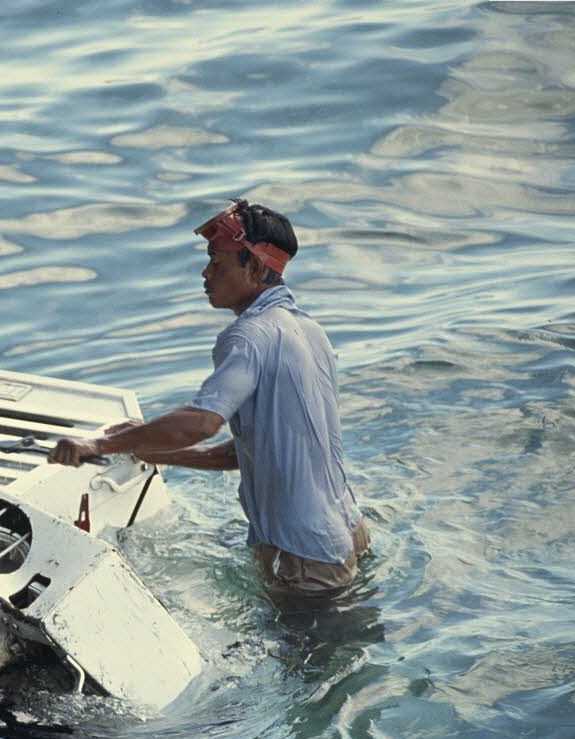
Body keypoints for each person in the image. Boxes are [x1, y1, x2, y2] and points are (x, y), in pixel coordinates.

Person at [48, 199, 368, 597]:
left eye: (218, 262)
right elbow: (241, 453)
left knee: (298, 658)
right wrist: (147, 449)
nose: (205, 272)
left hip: (301, 555)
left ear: (254, 268)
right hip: (348, 530)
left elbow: (202, 422)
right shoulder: (308, 331)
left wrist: (98, 444)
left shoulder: (249, 336)